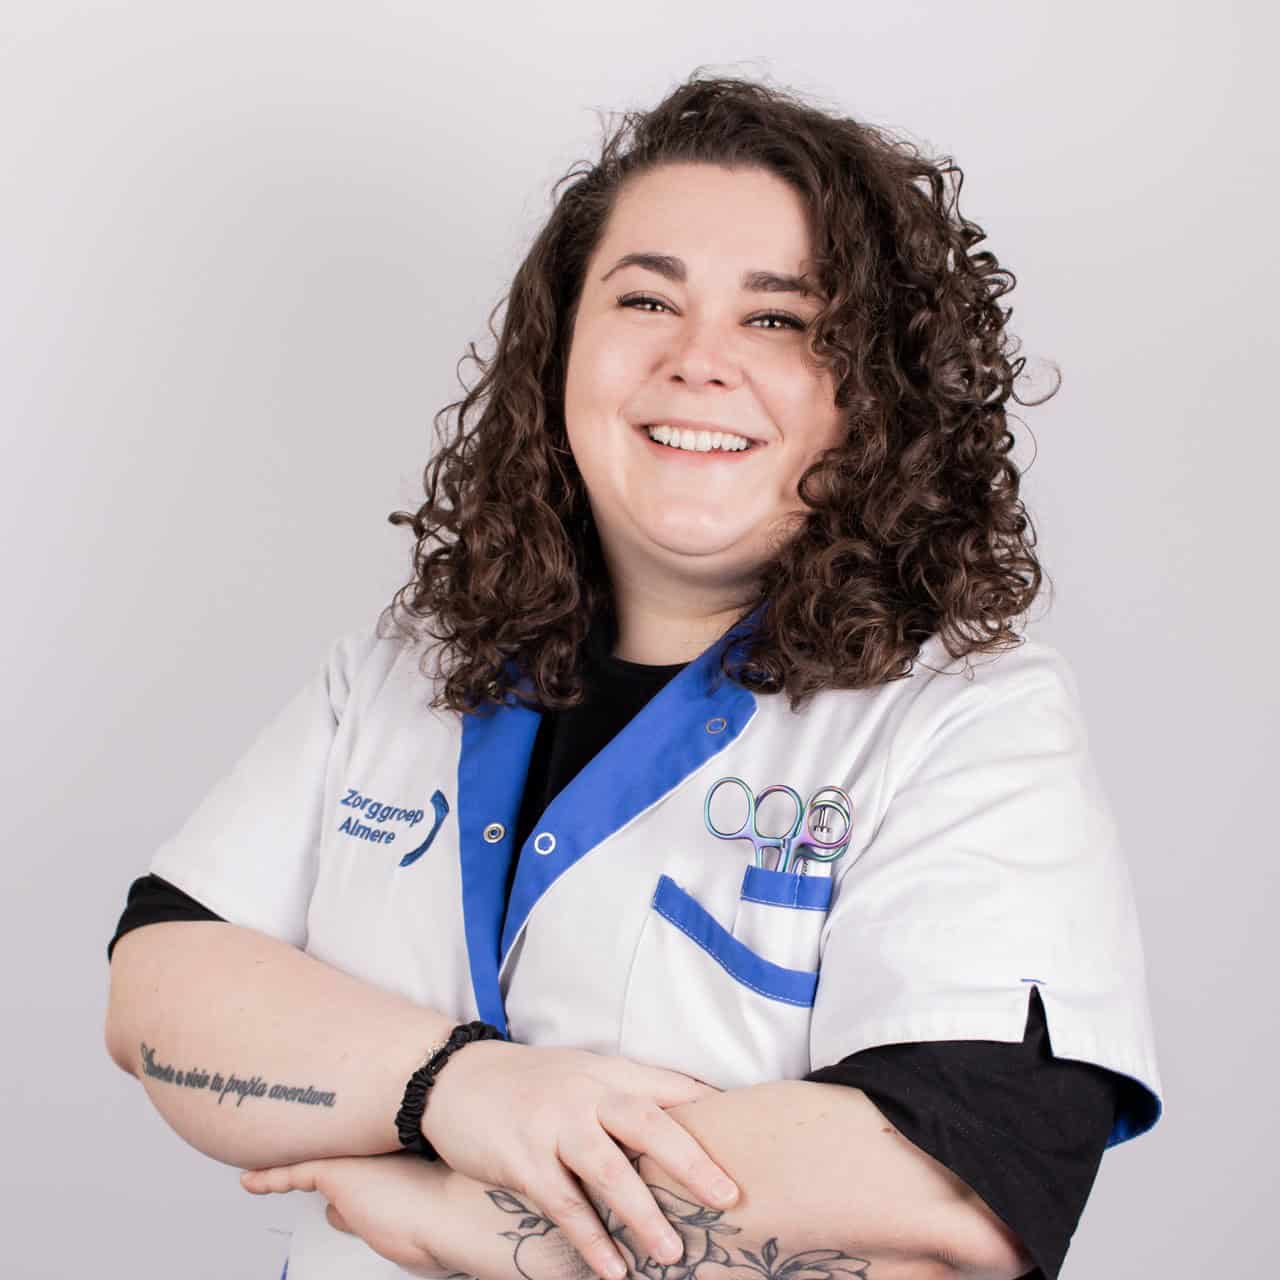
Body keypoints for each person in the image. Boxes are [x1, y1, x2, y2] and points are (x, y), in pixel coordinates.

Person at [104, 72, 1163, 1280]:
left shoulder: (963, 719)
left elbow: (962, 1174)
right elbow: (160, 989)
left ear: (876, 390)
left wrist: (476, 1220)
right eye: (646, 299)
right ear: (561, 347)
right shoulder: (404, 669)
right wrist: (455, 1086)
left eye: (778, 319)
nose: (697, 360)